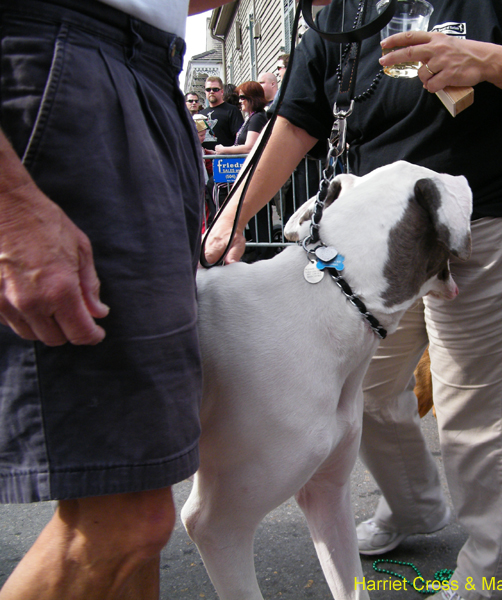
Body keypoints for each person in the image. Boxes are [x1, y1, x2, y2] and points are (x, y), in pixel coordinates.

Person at [203, 1, 502, 598]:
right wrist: (233, 216)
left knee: (480, 413)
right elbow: (298, 120)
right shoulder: (337, 12)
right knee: (360, 394)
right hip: (371, 251)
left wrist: (488, 60)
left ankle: (491, 575)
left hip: (492, 218)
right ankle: (416, 507)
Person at [0, 0, 229, 598]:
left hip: (146, 78)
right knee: (129, 519)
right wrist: (9, 208)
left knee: (138, 502)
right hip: (63, 58)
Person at [214, 81, 269, 156]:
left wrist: (224, 149)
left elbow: (249, 147)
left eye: (242, 98)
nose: (240, 101)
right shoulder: (253, 116)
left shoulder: (257, 118)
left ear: (252, 98)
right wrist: (216, 152)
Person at [200, 76, 245, 151]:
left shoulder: (232, 110)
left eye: (215, 89)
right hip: (205, 159)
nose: (211, 92)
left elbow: (240, 138)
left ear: (222, 92)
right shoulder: (201, 114)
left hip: (226, 159)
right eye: (208, 89)